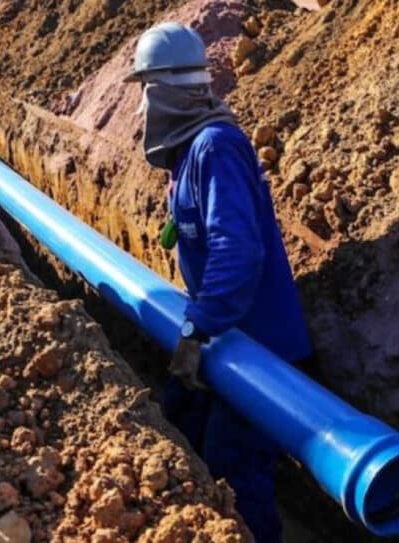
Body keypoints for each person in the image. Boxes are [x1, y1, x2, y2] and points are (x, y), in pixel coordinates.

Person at [126, 22, 313, 543]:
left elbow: (237, 250)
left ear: (163, 89)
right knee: (178, 420)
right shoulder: (190, 152)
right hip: (223, 337)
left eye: (144, 89)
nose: (141, 106)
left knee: (233, 468)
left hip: (259, 350)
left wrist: (197, 329)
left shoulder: (216, 148)